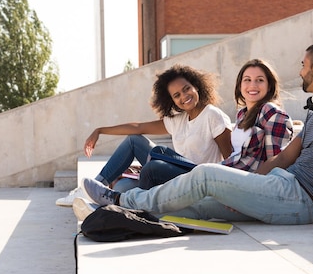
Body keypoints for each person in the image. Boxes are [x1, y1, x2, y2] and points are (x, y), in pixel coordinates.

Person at [77, 41, 313, 224]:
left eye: (303, 64)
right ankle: (117, 212)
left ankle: (120, 196)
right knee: (196, 208)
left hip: (302, 198)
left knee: (206, 176)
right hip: (278, 186)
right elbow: (286, 155)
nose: (299, 70)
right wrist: (244, 190)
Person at [56, 64, 233, 206]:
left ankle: (126, 205)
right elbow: (138, 127)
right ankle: (92, 188)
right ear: (171, 100)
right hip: (177, 174)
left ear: (197, 86)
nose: (184, 96)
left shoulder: (212, 115)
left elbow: (230, 159)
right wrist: (100, 130)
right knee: (126, 175)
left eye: (187, 89)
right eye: (177, 95)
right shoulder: (179, 120)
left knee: (151, 168)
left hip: (198, 180)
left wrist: (229, 197)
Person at [136, 58, 293, 189]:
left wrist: (246, 189)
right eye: (247, 80)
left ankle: (138, 213)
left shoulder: (271, 112)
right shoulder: (243, 114)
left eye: (259, 80)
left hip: (238, 182)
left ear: (269, 85)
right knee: (159, 151)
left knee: (152, 169)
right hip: (223, 172)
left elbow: (276, 163)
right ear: (240, 85)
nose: (252, 85)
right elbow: (235, 156)